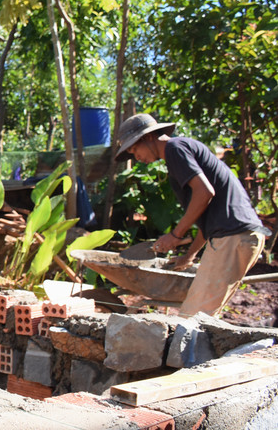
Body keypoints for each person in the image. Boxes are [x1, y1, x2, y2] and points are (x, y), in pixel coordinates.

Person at [115, 113, 268, 317]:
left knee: (192, 318)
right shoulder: (180, 151)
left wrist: (176, 235)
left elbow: (205, 193)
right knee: (202, 317)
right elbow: (207, 217)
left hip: (233, 238)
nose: (137, 157)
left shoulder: (175, 149)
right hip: (236, 236)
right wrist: (189, 255)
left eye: (135, 149)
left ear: (148, 137)